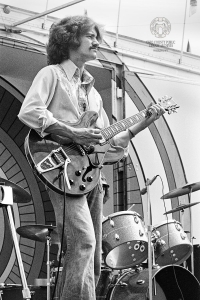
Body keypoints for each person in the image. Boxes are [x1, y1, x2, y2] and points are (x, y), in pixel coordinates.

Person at [18, 15, 165, 300]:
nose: (97, 41)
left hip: (89, 177)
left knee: (94, 251)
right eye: (90, 36)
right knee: (83, 242)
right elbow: (30, 112)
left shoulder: (94, 92)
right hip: (60, 168)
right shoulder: (51, 75)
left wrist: (144, 121)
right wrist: (74, 134)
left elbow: (111, 141)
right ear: (71, 39)